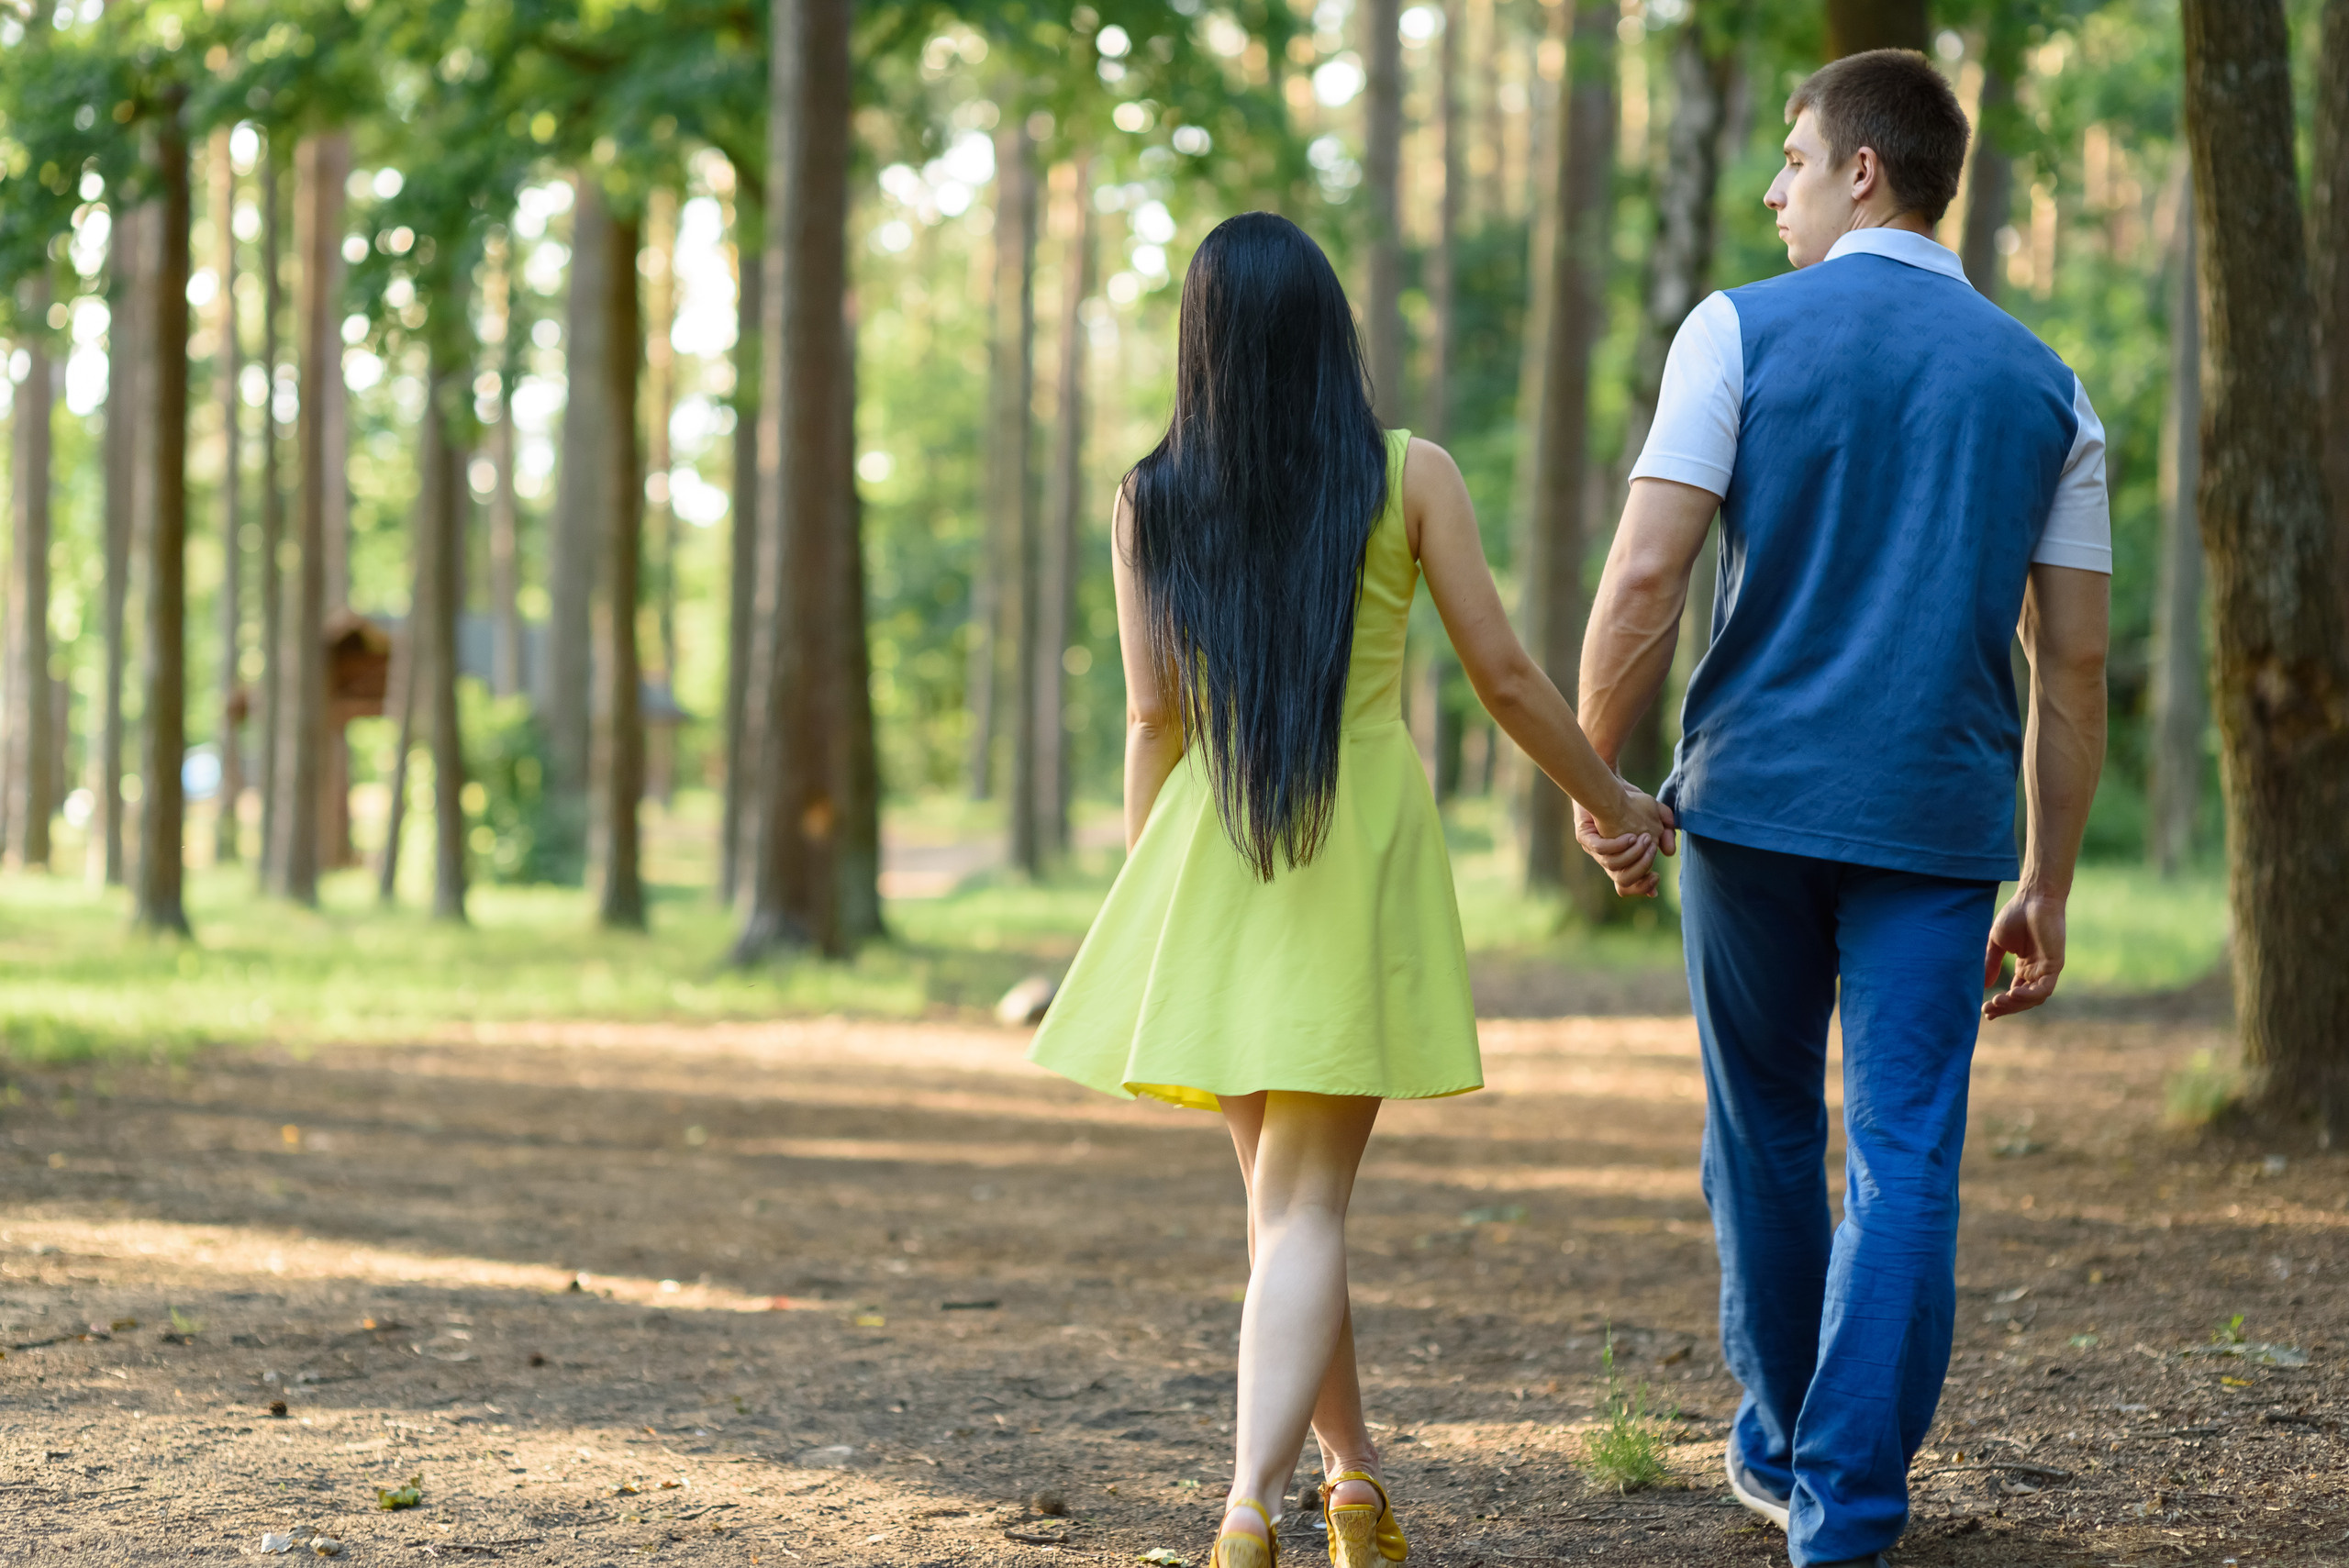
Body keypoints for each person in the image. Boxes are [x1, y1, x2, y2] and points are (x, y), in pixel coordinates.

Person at [1029, 211, 1667, 1568]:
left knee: (1281, 1208)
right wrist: (1608, 800)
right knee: (1304, 1209)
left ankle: (1353, 1480)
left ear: (1201, 345)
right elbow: (1502, 673)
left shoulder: (1149, 497)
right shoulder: (1408, 473)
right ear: (1330, 331)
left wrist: (1159, 904)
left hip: (1219, 845)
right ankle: (1249, 1505)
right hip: (1352, 841)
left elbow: (1154, 722)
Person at [1571, 50, 2110, 1568]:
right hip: (1940, 833)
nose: (1772, 191)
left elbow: (1645, 575)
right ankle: (1846, 1500)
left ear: (1861, 169)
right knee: (1907, 1148)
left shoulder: (1734, 328)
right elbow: (2073, 664)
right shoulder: (2046, 385)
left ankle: (1783, 1441)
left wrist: (1598, 774)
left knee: (1761, 1129)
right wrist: (2049, 880)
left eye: (1793, 160)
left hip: (1751, 808)